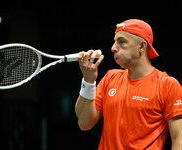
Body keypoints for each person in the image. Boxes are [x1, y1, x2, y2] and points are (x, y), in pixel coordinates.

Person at [75, 19, 182, 150]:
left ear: (142, 46)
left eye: (121, 42)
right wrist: (88, 80)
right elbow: (84, 123)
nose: (113, 48)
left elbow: (179, 139)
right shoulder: (110, 78)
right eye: (114, 42)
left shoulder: (168, 85)